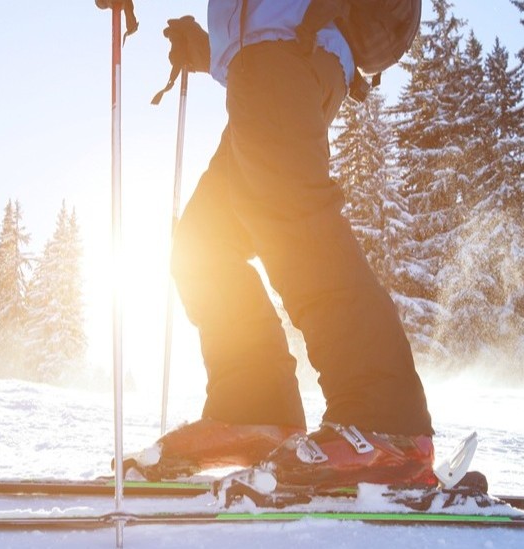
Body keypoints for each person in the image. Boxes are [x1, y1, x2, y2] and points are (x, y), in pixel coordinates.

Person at [130, 0, 437, 493]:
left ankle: (386, 421)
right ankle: (253, 409)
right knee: (203, 244)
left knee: (291, 217)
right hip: (272, 55)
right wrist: (211, 50)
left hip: (288, 50)